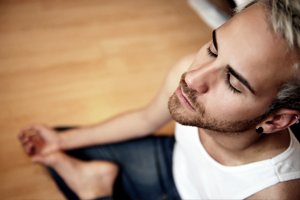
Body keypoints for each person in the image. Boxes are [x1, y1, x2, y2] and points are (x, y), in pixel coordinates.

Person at [19, 0, 300, 199]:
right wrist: (61, 142)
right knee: (60, 140)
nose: (192, 78)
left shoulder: (273, 192)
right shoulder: (192, 69)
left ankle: (95, 189)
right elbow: (144, 120)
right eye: (214, 49)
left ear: (275, 119)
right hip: (170, 160)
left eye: (233, 82)